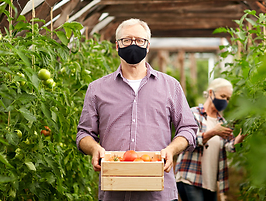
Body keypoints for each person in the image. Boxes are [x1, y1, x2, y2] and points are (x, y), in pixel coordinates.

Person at [76, 18, 198, 201]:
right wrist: (94, 148)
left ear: (147, 46)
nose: (133, 44)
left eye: (139, 40)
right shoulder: (97, 89)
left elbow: (188, 128)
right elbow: (84, 133)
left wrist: (171, 150)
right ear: (117, 46)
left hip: (159, 193)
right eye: (127, 40)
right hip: (113, 192)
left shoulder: (170, 86)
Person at [175, 78, 246, 201]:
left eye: (228, 98)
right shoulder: (193, 114)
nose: (225, 101)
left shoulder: (222, 122)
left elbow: (230, 146)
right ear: (211, 93)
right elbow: (188, 141)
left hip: (210, 182)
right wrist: (213, 132)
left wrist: (241, 136)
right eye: (223, 96)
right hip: (190, 177)